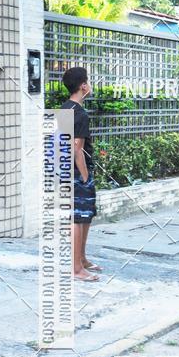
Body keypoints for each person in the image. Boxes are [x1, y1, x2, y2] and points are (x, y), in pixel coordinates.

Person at [60, 67, 101, 282]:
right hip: (77, 173)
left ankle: (82, 259)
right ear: (83, 86)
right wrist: (85, 176)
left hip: (63, 171)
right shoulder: (81, 114)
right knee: (78, 217)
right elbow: (77, 149)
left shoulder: (64, 109)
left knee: (84, 216)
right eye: (89, 81)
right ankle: (76, 268)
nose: (90, 85)